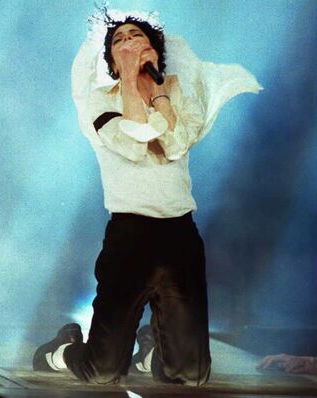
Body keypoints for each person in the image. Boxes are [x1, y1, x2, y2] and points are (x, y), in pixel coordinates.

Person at [32, 9, 261, 386]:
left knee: (190, 374)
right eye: (119, 40)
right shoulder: (99, 102)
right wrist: (127, 80)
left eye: (136, 36)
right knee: (102, 371)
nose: (129, 43)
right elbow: (136, 144)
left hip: (180, 235)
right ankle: (60, 351)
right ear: (109, 58)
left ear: (154, 48)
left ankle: (155, 351)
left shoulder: (174, 94)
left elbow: (175, 144)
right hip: (130, 235)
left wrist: (158, 92)